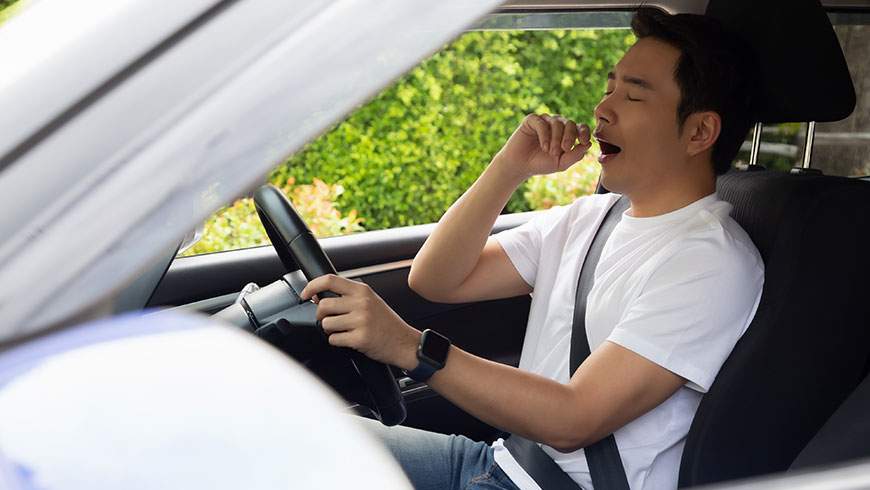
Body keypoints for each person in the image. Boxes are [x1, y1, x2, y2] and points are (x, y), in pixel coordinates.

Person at [299, 7, 764, 490]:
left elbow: (574, 419)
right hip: (500, 461)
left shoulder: (710, 262)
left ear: (699, 132)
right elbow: (436, 278)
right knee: (286, 437)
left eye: (632, 95)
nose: (602, 109)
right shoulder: (592, 217)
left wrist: (409, 348)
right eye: (608, 89)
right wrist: (510, 167)